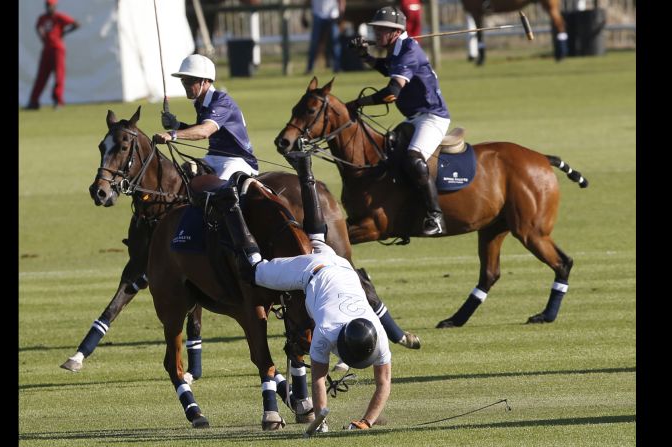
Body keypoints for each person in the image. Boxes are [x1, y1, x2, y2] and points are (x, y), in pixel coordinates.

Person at [217, 151, 391, 432]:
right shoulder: (327, 329)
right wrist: (318, 421)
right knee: (253, 270)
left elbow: (383, 383)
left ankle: (305, 170)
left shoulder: (377, 336)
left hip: (339, 264)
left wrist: (365, 423)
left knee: (317, 237)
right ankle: (230, 205)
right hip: (309, 271)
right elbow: (319, 381)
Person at [346, 6, 451, 236]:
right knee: (387, 152)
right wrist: (364, 55)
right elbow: (387, 69)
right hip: (413, 118)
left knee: (414, 158)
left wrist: (358, 103)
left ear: (395, 32)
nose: (376, 35)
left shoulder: (409, 52)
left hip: (432, 117)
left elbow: (392, 92)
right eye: (376, 30)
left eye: (382, 30)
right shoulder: (397, 49)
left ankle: (436, 216)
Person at [153, 54, 259, 180]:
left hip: (237, 160)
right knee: (183, 178)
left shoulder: (221, 101)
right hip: (213, 157)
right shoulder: (200, 102)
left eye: (190, 80)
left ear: (205, 81)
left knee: (218, 192)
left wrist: (172, 134)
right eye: (183, 80)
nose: (185, 85)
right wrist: (177, 125)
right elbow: (199, 127)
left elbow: (204, 131)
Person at [25, 0, 79, 110]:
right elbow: (38, 27)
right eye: (47, 5)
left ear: (55, 6)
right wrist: (42, 37)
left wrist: (64, 33)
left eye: (51, 5)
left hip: (57, 49)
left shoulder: (59, 17)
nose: (49, 7)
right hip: (46, 50)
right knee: (41, 77)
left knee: (59, 75)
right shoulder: (42, 18)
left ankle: (58, 101)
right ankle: (33, 101)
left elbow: (76, 24)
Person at [303, 0, 345, 74]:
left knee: (335, 42)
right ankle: (309, 68)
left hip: (332, 15)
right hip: (317, 15)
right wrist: (303, 14)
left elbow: (341, 1)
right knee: (314, 43)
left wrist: (341, 12)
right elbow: (306, 1)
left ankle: (337, 67)